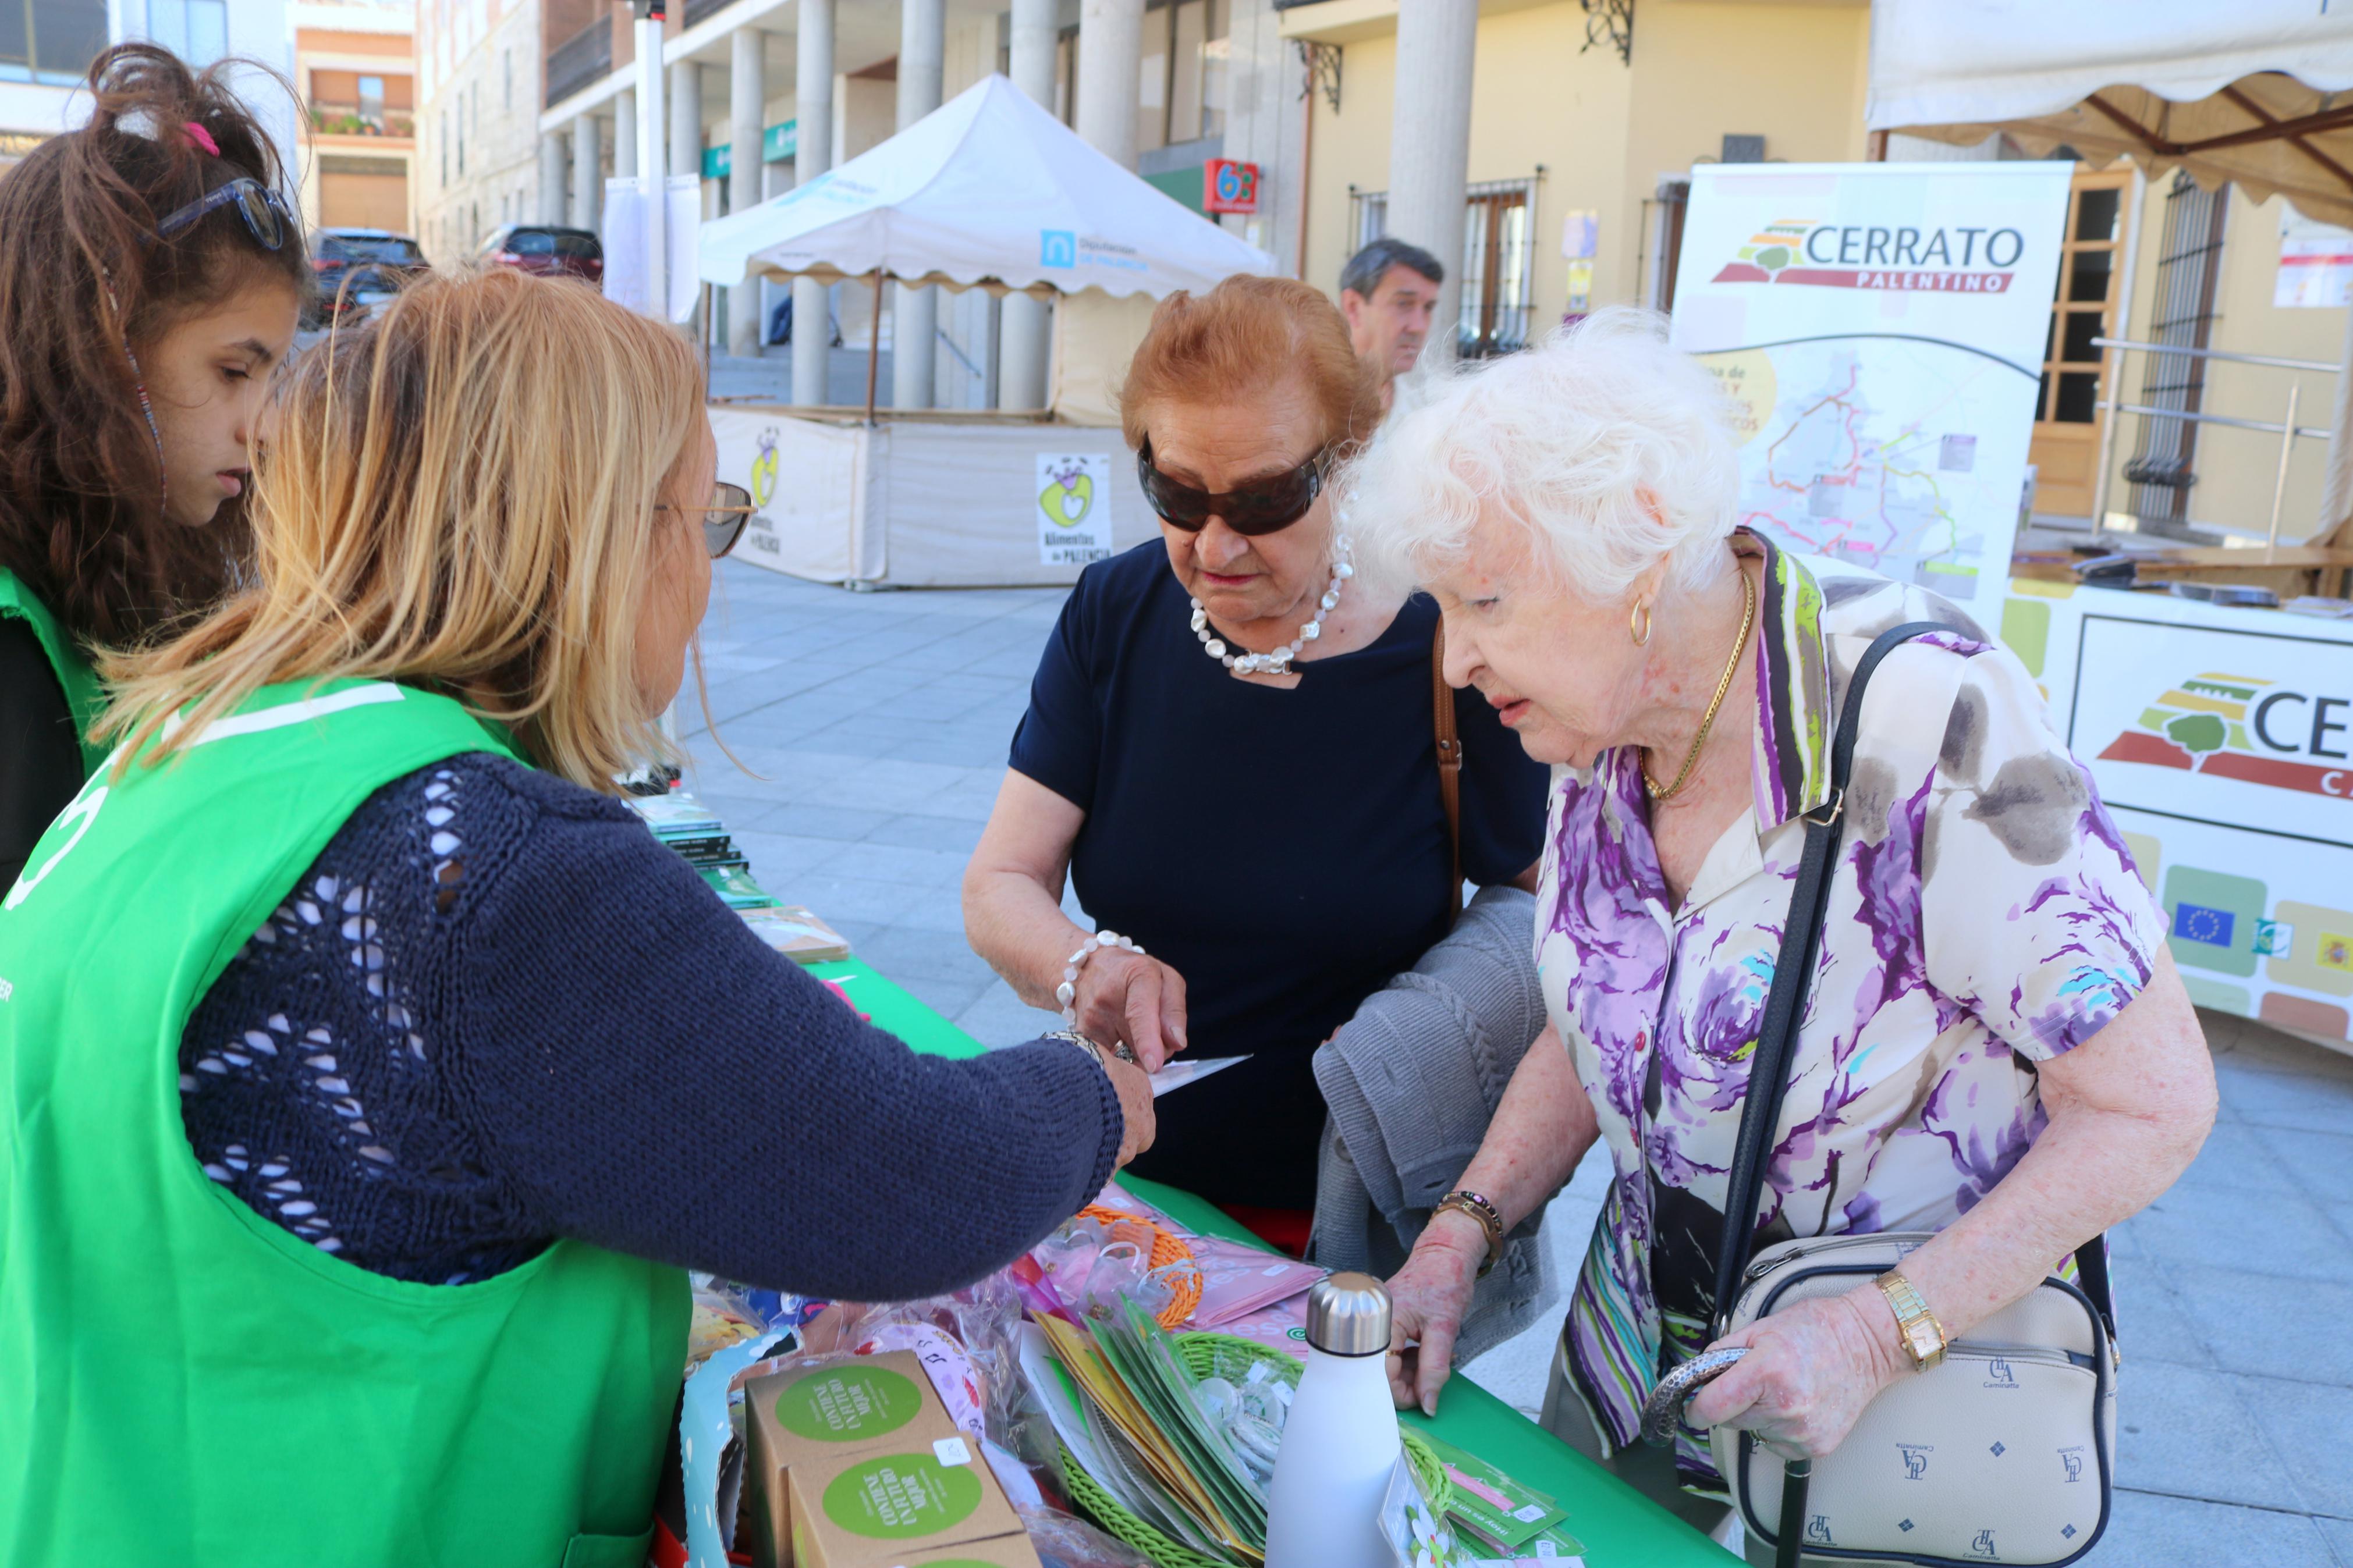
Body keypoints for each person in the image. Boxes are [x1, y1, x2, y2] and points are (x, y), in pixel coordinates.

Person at [0, 268, 1154, 1565]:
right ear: (598, 534)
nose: (704, 579)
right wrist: (1096, 1093)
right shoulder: (489, 877)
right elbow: (907, 1176)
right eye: (702, 520)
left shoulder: (194, 741)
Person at [1349, 311, 2216, 1541]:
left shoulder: (1927, 718)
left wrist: (1874, 1332)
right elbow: (1597, 1009)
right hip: (1633, 1369)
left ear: (1638, 555)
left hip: (1884, 1422)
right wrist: (1460, 1232)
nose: (1451, 660)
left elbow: (2152, 1101)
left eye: (1481, 598)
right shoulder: (1595, 717)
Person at [962, 275, 1549, 1249]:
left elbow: (1563, 930)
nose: (1216, 543)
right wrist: (1081, 965)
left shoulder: (1446, 652)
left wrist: (1431, 1068)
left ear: (1346, 462)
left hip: (1350, 1217)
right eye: (1176, 494)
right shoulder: (1115, 611)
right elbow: (999, 882)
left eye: (1266, 498)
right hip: (1121, 1192)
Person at [0, 44, 308, 887]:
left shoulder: (118, 555)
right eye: (234, 371)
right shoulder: (12, 646)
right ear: (99, 346)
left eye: (274, 374)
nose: (266, 426)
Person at [1339, 236, 1444, 410]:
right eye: (1403, 304)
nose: (1419, 327)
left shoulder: (1423, 411)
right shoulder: (1307, 408)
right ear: (1353, 307)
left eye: (1428, 307)